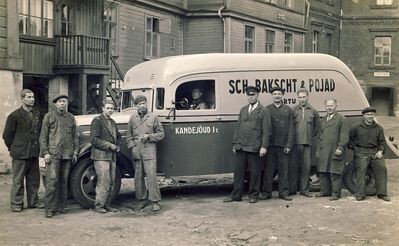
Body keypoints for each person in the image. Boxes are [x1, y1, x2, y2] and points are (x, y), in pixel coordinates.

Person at [223, 86, 271, 203]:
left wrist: (264, 146)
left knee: (255, 172)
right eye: (249, 95)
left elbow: (267, 131)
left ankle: (253, 195)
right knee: (238, 173)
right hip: (241, 146)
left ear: (257, 95)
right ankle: (236, 195)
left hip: (254, 147)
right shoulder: (243, 109)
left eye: (253, 95)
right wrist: (235, 143)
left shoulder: (263, 111)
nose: (250, 97)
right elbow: (238, 127)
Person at [2, 89, 42, 212]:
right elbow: (7, 135)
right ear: (22, 99)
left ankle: (33, 201)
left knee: (34, 180)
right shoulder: (14, 115)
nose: (32, 99)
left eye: (33, 97)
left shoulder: (37, 115)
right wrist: (13, 148)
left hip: (34, 153)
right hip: (20, 153)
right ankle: (16, 204)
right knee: (18, 180)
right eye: (29, 97)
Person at [39, 95, 79, 218]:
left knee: (63, 181)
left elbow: (75, 137)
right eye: (60, 102)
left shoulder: (71, 118)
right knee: (52, 181)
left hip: (67, 154)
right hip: (53, 154)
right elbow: (43, 136)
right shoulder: (49, 116)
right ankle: (50, 208)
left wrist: (75, 152)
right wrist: (45, 152)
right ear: (56, 104)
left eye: (64, 102)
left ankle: (62, 206)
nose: (62, 104)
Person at [126, 95, 165, 211]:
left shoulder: (153, 117)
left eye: (144, 103)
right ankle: (141, 200)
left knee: (151, 176)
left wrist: (149, 136)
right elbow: (129, 136)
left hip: (149, 151)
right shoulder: (133, 118)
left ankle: (155, 201)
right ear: (136, 106)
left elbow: (161, 134)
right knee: (138, 177)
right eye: (140, 104)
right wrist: (133, 147)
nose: (142, 105)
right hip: (137, 151)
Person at [349, 107, 390, 202]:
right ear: (363, 116)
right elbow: (351, 139)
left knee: (382, 167)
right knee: (362, 168)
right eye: (367, 114)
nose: (370, 116)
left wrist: (380, 151)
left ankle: (382, 193)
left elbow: (382, 142)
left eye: (371, 114)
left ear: (374, 115)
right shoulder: (356, 126)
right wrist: (356, 150)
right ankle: (360, 194)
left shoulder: (379, 128)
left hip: (375, 152)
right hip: (361, 151)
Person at [261, 86, 294, 201]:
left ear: (282, 95)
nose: (277, 96)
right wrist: (264, 145)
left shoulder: (288, 110)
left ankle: (283, 193)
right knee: (268, 170)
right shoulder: (267, 109)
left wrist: (289, 145)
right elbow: (264, 129)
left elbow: (291, 128)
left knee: (283, 170)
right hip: (270, 146)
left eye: (279, 94)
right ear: (272, 95)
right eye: (275, 94)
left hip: (283, 146)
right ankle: (266, 193)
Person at [90, 100, 122, 213]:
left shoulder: (112, 122)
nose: (110, 110)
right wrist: (109, 145)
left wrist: (118, 146)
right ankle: (99, 206)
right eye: (108, 108)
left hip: (111, 156)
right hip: (100, 156)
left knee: (112, 181)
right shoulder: (97, 121)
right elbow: (94, 140)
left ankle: (107, 204)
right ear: (103, 108)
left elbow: (118, 136)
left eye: (112, 108)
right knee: (103, 181)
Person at [316, 99, 349, 201]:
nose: (329, 107)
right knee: (323, 171)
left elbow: (344, 135)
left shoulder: (341, 119)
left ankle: (336, 194)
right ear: (325, 107)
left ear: (336, 106)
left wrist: (340, 147)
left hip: (335, 150)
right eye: (327, 106)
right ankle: (325, 191)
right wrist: (318, 150)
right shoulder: (323, 119)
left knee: (335, 172)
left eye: (331, 105)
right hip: (324, 151)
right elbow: (319, 136)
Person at [289, 88, 319, 197]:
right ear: (298, 98)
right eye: (300, 97)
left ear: (307, 97)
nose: (302, 99)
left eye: (304, 97)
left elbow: (317, 128)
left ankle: (304, 190)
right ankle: (292, 189)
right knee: (293, 167)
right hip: (295, 144)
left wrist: (309, 137)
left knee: (306, 168)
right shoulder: (292, 110)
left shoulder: (313, 111)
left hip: (307, 144)